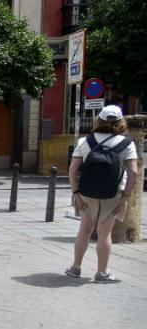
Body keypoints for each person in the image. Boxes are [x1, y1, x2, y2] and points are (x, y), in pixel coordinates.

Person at [66, 105, 138, 282]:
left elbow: (72, 169)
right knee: (104, 233)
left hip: (87, 193)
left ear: (99, 120)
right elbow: (134, 172)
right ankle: (102, 273)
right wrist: (126, 197)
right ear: (121, 122)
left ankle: (75, 268)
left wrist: (76, 192)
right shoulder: (127, 143)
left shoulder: (85, 141)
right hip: (113, 194)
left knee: (84, 229)